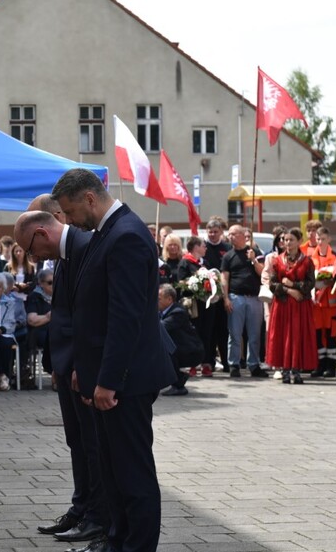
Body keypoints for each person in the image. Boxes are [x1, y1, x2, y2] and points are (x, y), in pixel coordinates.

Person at [51, 168, 175, 552]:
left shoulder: (126, 236)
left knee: (132, 474)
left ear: (89, 198)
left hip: (127, 381)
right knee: (113, 471)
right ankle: (117, 541)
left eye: (70, 212)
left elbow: (125, 318)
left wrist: (107, 380)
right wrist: (84, 371)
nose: (68, 221)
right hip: (109, 377)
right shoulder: (108, 233)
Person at [14, 205, 107, 545]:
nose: (31, 257)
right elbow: (63, 313)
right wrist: (57, 363)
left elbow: (87, 317)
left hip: (83, 365)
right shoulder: (64, 256)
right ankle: (83, 507)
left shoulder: (83, 250)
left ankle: (97, 517)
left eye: (29, 247)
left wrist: (80, 365)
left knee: (93, 446)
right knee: (77, 443)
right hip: (69, 363)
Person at [267, 227, 317, 384]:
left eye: (291, 240)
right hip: (282, 305)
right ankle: (284, 369)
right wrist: (289, 290)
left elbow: (310, 284)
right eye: (285, 240)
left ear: (299, 241)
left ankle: (296, 369)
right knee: (283, 335)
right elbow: (272, 285)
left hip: (300, 306)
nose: (287, 243)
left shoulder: (307, 261)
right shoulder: (277, 261)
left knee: (297, 336)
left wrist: (293, 284)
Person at [221, 224, 269, 378]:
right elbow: (224, 278)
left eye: (233, 234)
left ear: (242, 235)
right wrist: (226, 297)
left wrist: (253, 260)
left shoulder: (254, 252)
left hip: (254, 298)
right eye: (229, 234)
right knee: (235, 334)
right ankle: (234, 364)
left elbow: (263, 273)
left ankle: (254, 364)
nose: (230, 237)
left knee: (254, 334)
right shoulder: (228, 256)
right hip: (236, 297)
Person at [159, 283, 204, 396]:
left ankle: (178, 384)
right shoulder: (162, 311)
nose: (156, 301)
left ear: (169, 299)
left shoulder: (177, 312)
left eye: (158, 299)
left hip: (191, 352)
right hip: (180, 348)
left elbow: (161, 327)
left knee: (164, 352)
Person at [177, 235, 213, 377]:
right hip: (193, 306)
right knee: (194, 333)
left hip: (207, 304)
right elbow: (181, 283)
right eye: (203, 245)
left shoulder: (206, 263)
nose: (205, 248)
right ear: (196, 247)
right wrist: (195, 282)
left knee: (207, 333)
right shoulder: (185, 263)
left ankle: (206, 363)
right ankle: (193, 364)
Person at [309, 227, 336, 378]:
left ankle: (331, 366)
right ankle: (319, 365)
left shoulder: (335, 257)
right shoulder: (311, 259)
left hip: (330, 303)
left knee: (330, 335)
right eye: (318, 239)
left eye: (323, 239)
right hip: (316, 303)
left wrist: (331, 280)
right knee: (317, 335)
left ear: (329, 239)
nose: (320, 242)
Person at [203, 216, 231, 371]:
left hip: (224, 295)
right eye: (210, 231)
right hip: (208, 296)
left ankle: (227, 362)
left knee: (223, 330)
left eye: (215, 231)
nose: (212, 234)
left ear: (221, 232)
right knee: (210, 330)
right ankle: (210, 361)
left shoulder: (227, 248)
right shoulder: (203, 247)